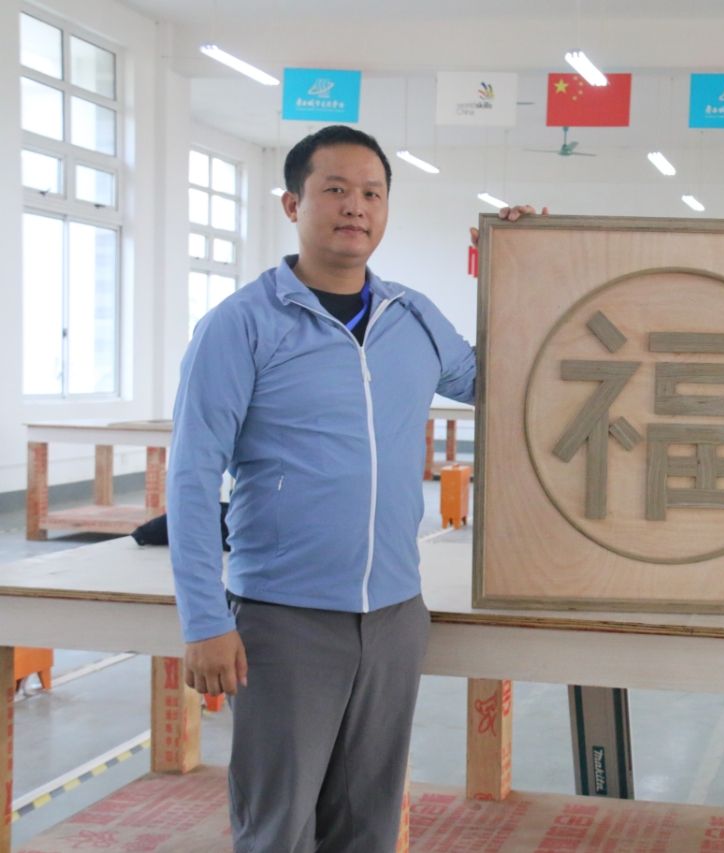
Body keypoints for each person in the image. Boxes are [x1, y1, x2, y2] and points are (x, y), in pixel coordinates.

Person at [168, 125, 538, 852]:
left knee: (368, 822)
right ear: (292, 203)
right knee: (278, 825)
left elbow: (500, 378)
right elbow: (191, 476)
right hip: (285, 617)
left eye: (372, 192)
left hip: (394, 614)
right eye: (334, 189)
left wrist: (526, 265)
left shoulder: (413, 316)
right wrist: (204, 619)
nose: (355, 207)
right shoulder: (241, 326)